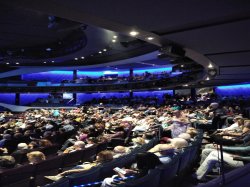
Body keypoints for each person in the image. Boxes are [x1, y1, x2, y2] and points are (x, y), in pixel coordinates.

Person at [45, 150, 114, 181]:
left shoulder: (99, 165)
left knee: (77, 167)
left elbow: (85, 170)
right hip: (88, 166)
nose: (97, 156)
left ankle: (59, 177)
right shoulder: (109, 161)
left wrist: (66, 172)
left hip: (83, 170)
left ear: (102, 158)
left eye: (98, 156)